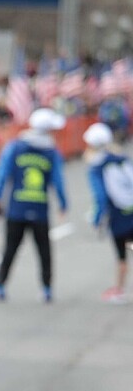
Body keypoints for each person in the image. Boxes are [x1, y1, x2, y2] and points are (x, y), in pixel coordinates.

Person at [0, 107, 68, 303]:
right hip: (39, 210)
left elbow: (2, 174)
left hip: (17, 208)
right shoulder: (51, 152)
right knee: (44, 251)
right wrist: (63, 203)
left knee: (10, 249)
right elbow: (58, 180)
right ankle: (46, 289)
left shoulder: (15, 146)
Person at [83, 122, 133, 304]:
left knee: (122, 254)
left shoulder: (96, 167)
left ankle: (119, 290)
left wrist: (97, 219)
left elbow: (101, 197)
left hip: (119, 216)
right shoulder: (122, 158)